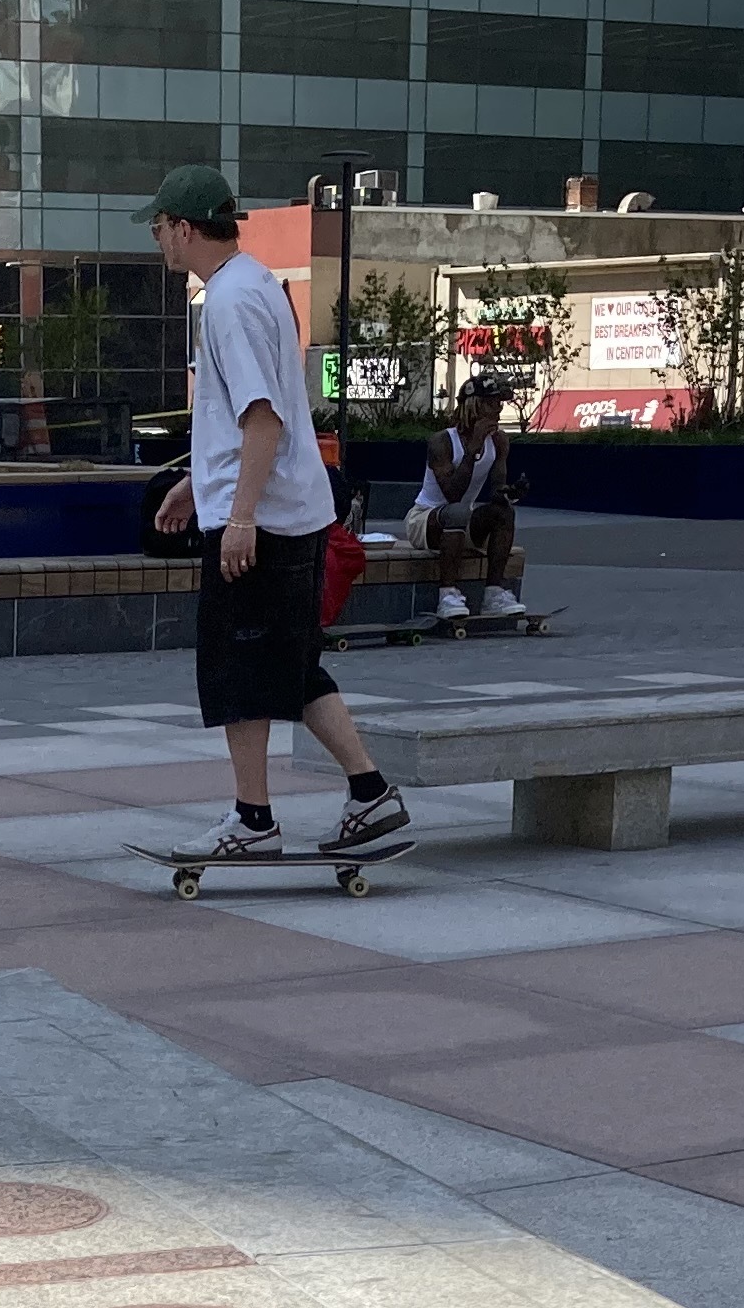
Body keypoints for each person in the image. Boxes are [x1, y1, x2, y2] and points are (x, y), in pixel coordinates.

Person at [140, 164, 404, 865]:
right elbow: (244, 416)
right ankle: (371, 793)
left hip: (266, 524)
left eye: (160, 227)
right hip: (284, 512)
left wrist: (239, 516)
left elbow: (264, 418)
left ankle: (253, 820)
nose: (158, 240)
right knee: (291, 664)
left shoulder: (229, 301)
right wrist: (199, 484)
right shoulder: (252, 284)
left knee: (239, 671)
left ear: (185, 228)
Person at [416, 376, 522, 622]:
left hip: (462, 518)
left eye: (500, 403)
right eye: (492, 403)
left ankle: (493, 594)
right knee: (457, 511)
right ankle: (447, 596)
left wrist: (510, 493)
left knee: (503, 513)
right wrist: (472, 450)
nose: (499, 409)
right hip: (426, 519)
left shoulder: (498, 441)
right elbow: (452, 494)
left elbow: (496, 491)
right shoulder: (442, 441)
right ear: (473, 405)